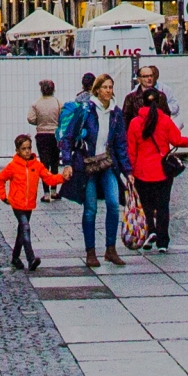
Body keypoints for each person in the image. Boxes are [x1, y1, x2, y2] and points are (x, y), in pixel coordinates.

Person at [120, 71, 188, 254]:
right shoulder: (165, 121)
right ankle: (163, 241)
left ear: (143, 102)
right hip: (162, 172)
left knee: (146, 206)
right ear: (160, 103)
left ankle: (150, 232)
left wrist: (129, 171)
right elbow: (178, 141)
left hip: (142, 172)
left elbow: (131, 150)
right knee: (163, 206)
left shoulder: (135, 123)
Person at [58, 72, 127, 268]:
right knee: (90, 209)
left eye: (111, 87)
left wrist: (128, 171)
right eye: (105, 87)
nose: (108, 91)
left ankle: (111, 249)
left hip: (107, 164)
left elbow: (121, 143)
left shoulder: (116, 113)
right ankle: (90, 251)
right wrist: (68, 162)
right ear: (96, 90)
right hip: (86, 165)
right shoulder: (86, 110)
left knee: (114, 204)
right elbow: (68, 137)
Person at [0, 131, 49, 269]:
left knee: (21, 231)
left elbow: (48, 177)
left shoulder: (35, 165)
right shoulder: (13, 166)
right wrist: (3, 196)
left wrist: (63, 178)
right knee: (25, 227)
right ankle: (30, 258)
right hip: (17, 203)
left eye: (29, 148)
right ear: (17, 150)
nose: (27, 151)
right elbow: (0, 179)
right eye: (23, 149)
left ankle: (15, 257)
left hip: (29, 204)